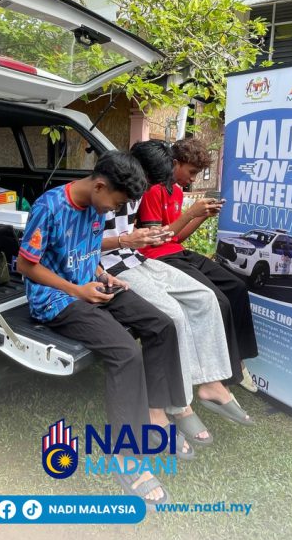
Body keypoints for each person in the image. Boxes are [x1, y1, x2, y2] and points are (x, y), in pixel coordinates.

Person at [15, 151, 188, 506]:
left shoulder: (97, 207)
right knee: (126, 354)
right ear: (99, 186)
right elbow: (25, 265)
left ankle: (155, 416)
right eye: (117, 203)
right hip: (56, 299)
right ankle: (126, 457)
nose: (115, 211)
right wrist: (76, 290)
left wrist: (105, 276)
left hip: (91, 287)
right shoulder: (49, 207)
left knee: (162, 325)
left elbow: (87, 253)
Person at [102, 177, 250, 445]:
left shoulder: (141, 190)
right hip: (113, 266)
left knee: (206, 299)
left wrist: (142, 237)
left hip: (138, 259)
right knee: (173, 314)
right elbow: (83, 245)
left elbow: (160, 236)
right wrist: (127, 240)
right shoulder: (105, 194)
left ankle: (211, 382)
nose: (153, 188)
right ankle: (180, 405)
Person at [131, 139, 261, 421]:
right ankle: (221, 377)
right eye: (191, 172)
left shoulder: (176, 191)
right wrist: (191, 213)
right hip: (157, 256)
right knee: (217, 300)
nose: (192, 179)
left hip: (177, 252)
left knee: (237, 288)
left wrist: (201, 217)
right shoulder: (153, 190)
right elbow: (156, 239)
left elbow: (177, 237)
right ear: (174, 164)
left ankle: (237, 362)